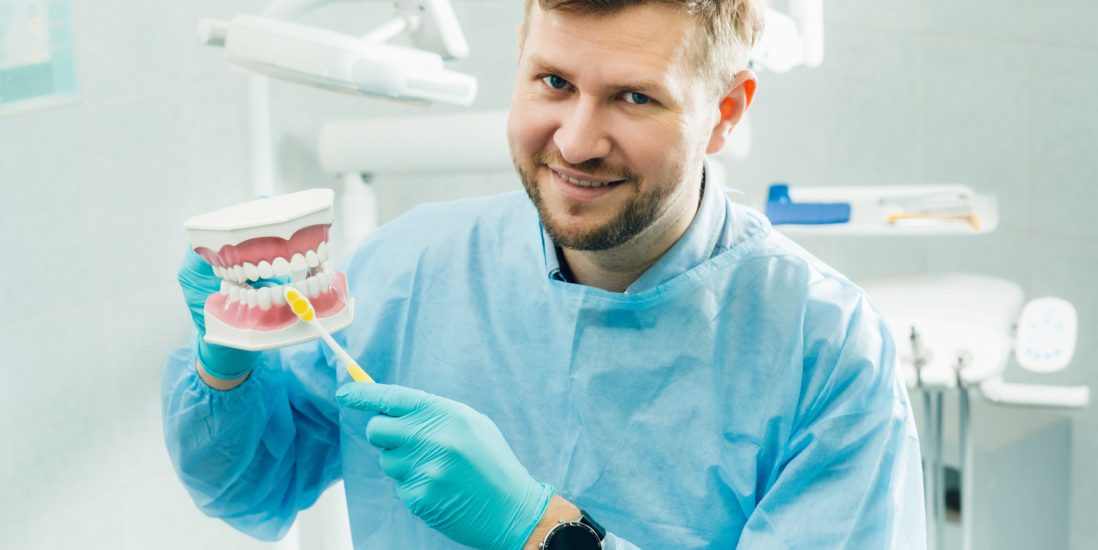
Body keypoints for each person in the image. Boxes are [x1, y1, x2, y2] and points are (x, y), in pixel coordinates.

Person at [164, 1, 926, 548]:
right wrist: (227, 374)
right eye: (553, 82)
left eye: (634, 97)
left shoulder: (824, 351)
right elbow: (250, 488)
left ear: (725, 111)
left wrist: (544, 533)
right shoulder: (409, 269)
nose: (577, 139)